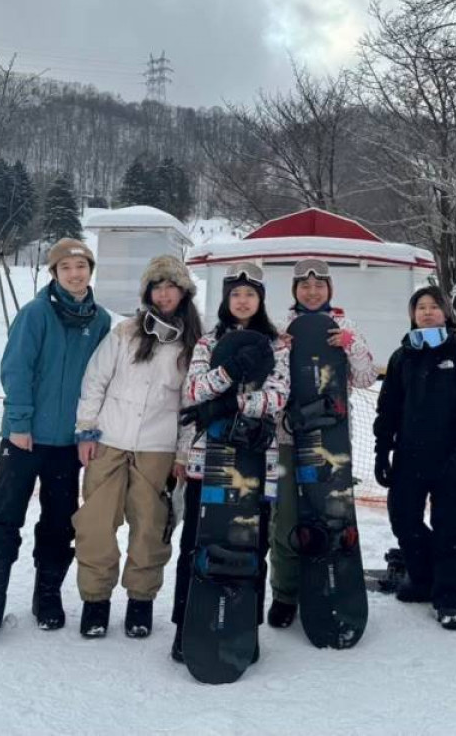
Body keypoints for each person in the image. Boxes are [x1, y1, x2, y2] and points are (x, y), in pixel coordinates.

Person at [0, 238, 111, 632]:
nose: (74, 273)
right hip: (24, 439)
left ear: (89, 270)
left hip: (67, 444)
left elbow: (99, 381)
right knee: (6, 514)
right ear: (53, 273)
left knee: (59, 522)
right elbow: (16, 369)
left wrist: (90, 431)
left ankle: (46, 595)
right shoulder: (35, 314)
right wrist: (19, 424)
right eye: (65, 268)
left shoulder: (100, 321)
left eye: (80, 266)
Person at [71, 256, 202, 640]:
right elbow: (95, 380)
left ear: (184, 291)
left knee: (150, 530)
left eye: (171, 286)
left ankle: (140, 603)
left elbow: (191, 407)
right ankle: (95, 602)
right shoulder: (125, 332)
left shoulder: (195, 343)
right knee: (95, 527)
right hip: (109, 443)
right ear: (147, 293)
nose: (163, 294)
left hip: (157, 450)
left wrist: (182, 454)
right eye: (156, 287)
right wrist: (85, 431)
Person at [169, 261, 290, 664]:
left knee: (250, 541)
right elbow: (195, 388)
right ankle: (186, 624)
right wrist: (230, 371)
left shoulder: (277, 345)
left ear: (260, 301)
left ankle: (244, 625)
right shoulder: (207, 342)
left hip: (255, 457)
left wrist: (229, 403)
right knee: (199, 539)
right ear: (226, 300)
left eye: (250, 294)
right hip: (212, 456)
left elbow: (275, 397)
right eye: (235, 294)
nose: (242, 301)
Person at [268, 258, 376, 629]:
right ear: (294, 290)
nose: (311, 292)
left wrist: (351, 345)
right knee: (286, 519)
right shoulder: (281, 327)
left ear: (329, 289)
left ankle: (331, 584)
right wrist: (280, 349)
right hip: (288, 438)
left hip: (330, 439)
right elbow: (268, 381)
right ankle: (285, 592)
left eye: (319, 286)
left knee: (330, 514)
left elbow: (364, 378)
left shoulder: (344, 326)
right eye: (304, 286)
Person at [373, 285, 456, 631]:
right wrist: (382, 449)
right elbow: (389, 406)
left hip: (451, 458)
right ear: (412, 314)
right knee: (402, 519)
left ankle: (451, 598)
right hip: (409, 456)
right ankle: (422, 578)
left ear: (446, 313)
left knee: (449, 528)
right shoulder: (402, 355)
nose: (426, 312)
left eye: (433, 307)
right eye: (420, 307)